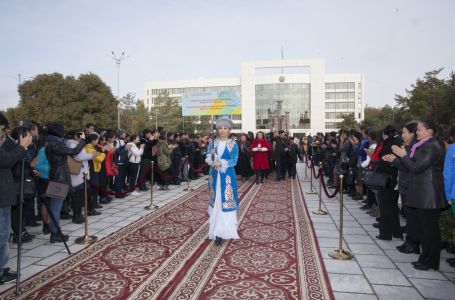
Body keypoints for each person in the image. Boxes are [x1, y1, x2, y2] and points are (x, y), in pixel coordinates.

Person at [392, 119, 445, 271]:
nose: (417, 132)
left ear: (430, 131)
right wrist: (401, 157)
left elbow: (415, 167)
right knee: (425, 229)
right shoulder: (422, 145)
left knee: (430, 230)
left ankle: (430, 261)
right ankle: (425, 259)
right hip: (422, 194)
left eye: (420, 129)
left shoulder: (432, 146)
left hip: (429, 195)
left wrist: (403, 155)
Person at [0, 112, 33, 284]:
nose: (3, 135)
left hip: (5, 193)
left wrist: (19, 146)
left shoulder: (5, 141)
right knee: (3, 233)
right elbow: (6, 160)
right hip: (2, 195)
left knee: (4, 232)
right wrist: (22, 147)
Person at [205, 116, 239, 246]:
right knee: (217, 202)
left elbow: (234, 160)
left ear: (229, 130)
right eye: (220, 128)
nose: (222, 130)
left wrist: (221, 164)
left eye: (225, 128)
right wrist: (211, 158)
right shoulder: (213, 142)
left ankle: (224, 231)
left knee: (226, 202)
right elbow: (208, 156)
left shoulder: (233, 144)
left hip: (227, 177)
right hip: (215, 176)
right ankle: (216, 231)